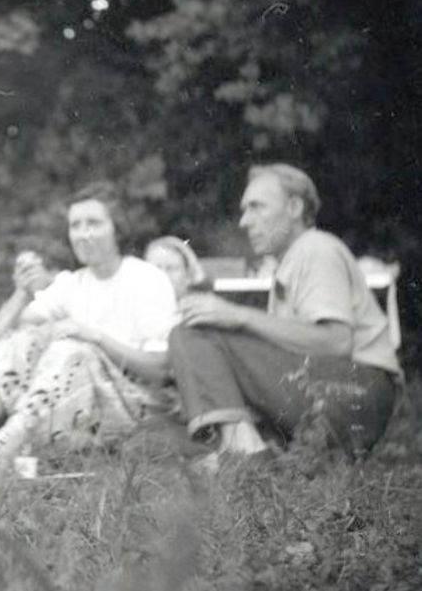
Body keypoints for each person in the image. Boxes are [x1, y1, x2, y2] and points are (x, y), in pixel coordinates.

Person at [0, 182, 178, 475]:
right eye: (75, 225)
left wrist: (95, 337)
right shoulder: (74, 282)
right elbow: (14, 331)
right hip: (83, 407)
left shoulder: (146, 278)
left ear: (117, 229)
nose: (83, 234)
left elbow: (161, 370)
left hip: (137, 407)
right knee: (24, 341)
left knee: (72, 348)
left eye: (94, 224)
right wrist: (23, 291)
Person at [169, 163, 403, 461]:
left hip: (357, 390)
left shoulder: (316, 248)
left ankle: (246, 456)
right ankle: (249, 451)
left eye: (257, 207)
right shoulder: (293, 260)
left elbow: (336, 342)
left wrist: (238, 316)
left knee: (192, 335)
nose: (244, 221)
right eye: (244, 210)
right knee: (159, 437)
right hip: (337, 395)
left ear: (294, 207)